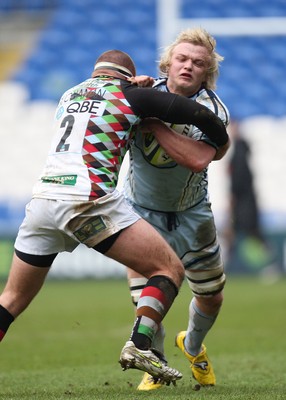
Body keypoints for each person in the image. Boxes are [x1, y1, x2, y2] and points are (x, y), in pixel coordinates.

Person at [0, 49, 229, 386]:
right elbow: (194, 112)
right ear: (127, 76)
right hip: (86, 201)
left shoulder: (69, 94)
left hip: (43, 202)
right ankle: (140, 346)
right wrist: (220, 141)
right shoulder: (131, 96)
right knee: (167, 270)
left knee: (11, 299)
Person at [123, 28, 230, 390]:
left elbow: (195, 160)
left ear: (206, 73)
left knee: (211, 295)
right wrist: (128, 85)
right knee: (148, 302)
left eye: (198, 63)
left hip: (191, 214)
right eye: (182, 59)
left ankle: (194, 346)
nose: (188, 66)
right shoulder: (139, 94)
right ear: (168, 63)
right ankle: (155, 363)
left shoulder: (213, 112)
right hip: (141, 212)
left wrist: (153, 123)